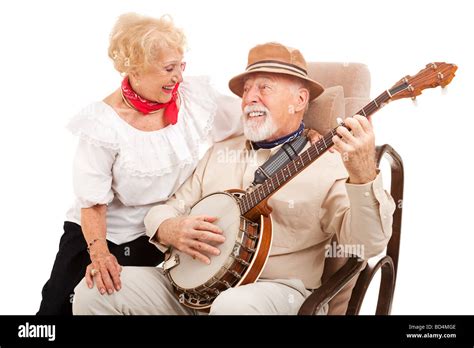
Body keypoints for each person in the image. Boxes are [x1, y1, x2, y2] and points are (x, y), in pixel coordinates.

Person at [72, 42, 396, 315]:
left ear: (300, 101)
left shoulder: (332, 163)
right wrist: (169, 228)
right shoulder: (219, 152)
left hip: (278, 293)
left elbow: (368, 244)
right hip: (194, 289)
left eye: (264, 87)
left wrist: (364, 173)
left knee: (232, 306)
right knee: (93, 292)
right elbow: (166, 209)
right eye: (247, 89)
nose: (250, 97)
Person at [37, 12, 243, 315]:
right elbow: (93, 204)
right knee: (58, 307)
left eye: (181, 66)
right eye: (169, 68)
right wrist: (101, 255)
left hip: (159, 228)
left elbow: (249, 119)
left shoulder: (192, 99)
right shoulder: (102, 125)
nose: (179, 77)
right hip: (100, 232)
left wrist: (304, 128)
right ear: (136, 68)